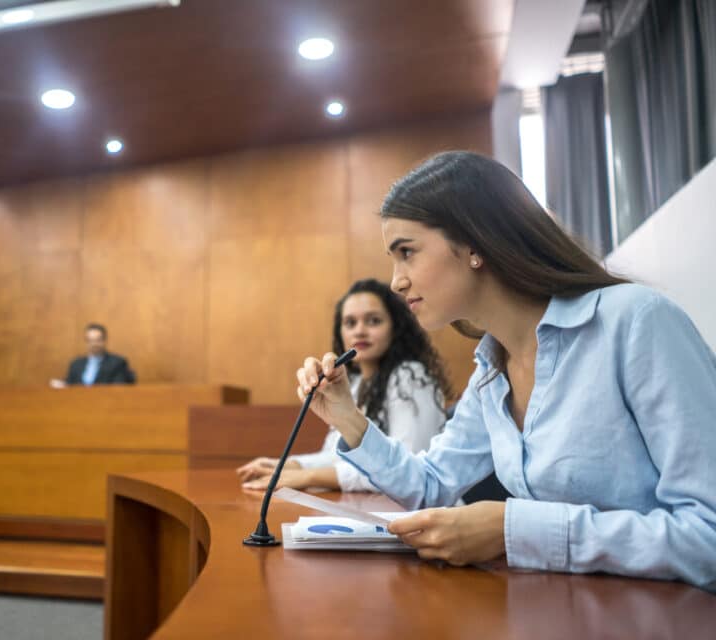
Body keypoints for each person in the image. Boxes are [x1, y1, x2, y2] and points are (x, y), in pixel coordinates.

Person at [295, 151, 716, 590]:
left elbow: (709, 534)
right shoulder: (491, 371)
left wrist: (512, 529)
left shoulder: (635, 322)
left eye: (407, 252)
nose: (396, 280)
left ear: (475, 244)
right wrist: (346, 415)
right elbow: (432, 485)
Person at [238, 278, 450, 492]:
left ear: (396, 328)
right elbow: (337, 456)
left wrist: (306, 477)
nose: (359, 331)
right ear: (340, 332)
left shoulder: (410, 376)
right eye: (350, 323)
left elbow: (407, 469)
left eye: (374, 321)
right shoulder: (355, 384)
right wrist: (287, 465)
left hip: (428, 514)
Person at [53, 323, 135, 387]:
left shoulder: (117, 363)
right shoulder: (76, 364)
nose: (94, 344)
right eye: (90, 340)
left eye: (98, 340)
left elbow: (118, 388)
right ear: (86, 342)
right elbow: (70, 385)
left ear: (104, 340)